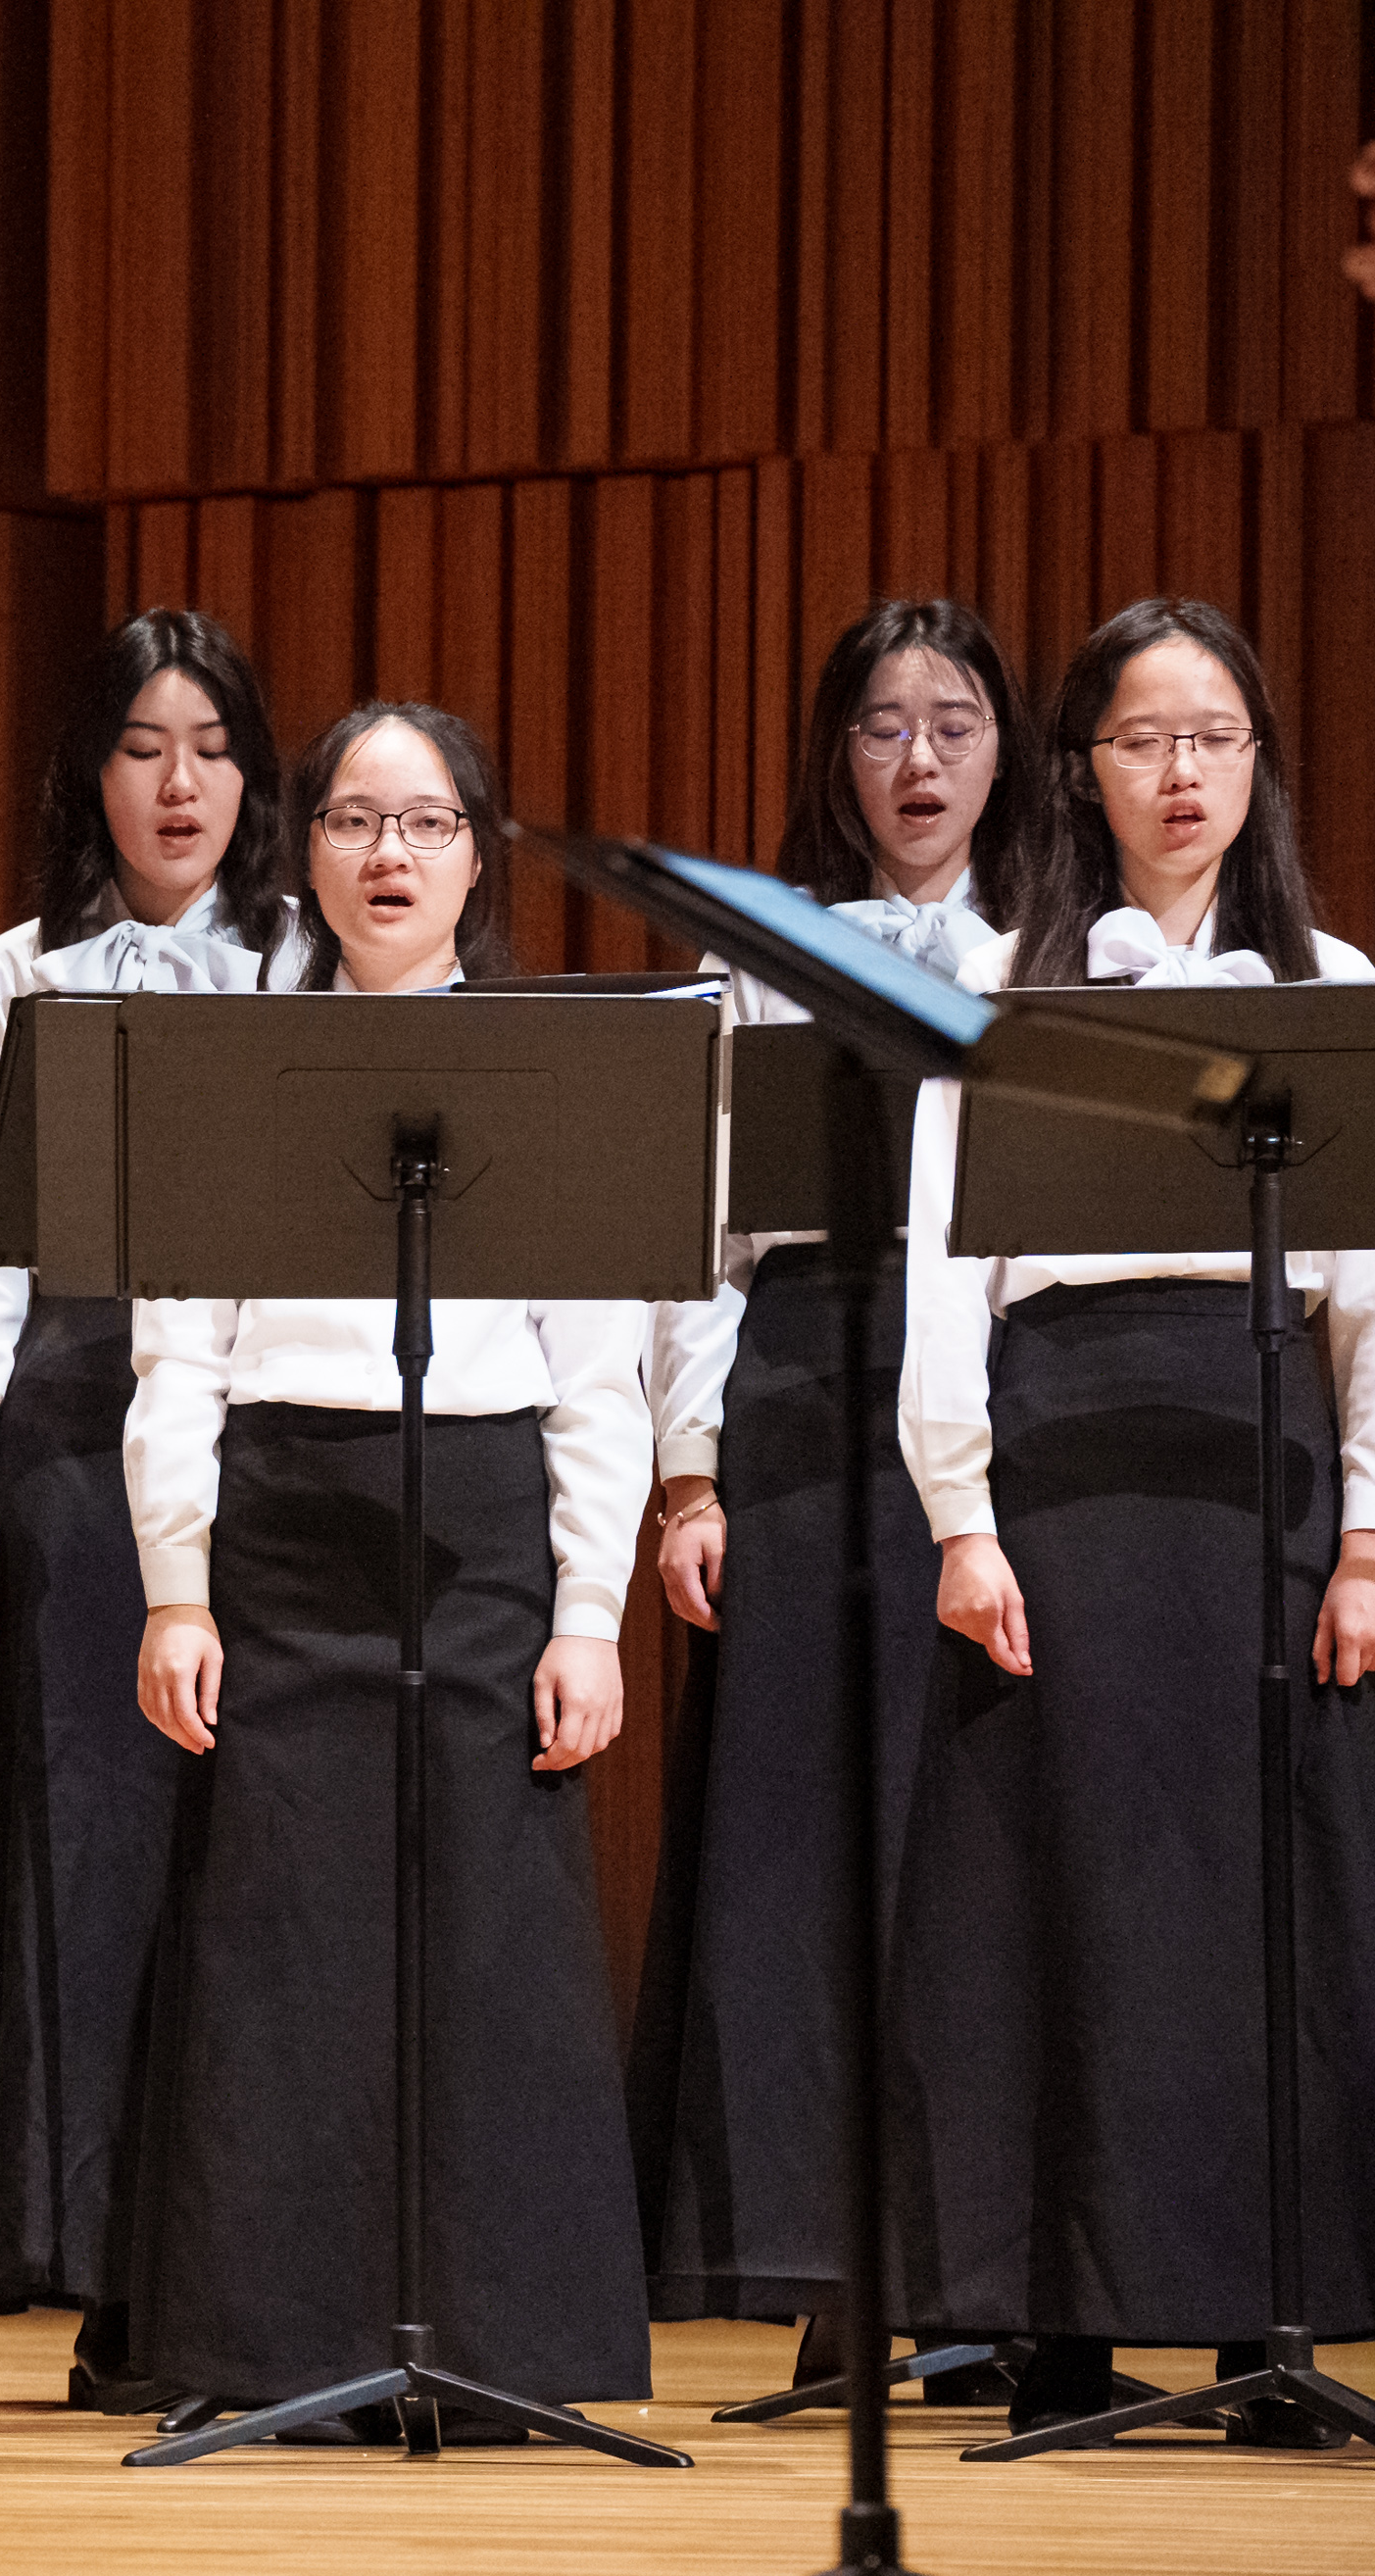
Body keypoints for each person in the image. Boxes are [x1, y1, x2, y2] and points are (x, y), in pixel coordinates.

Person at [123, 701, 656, 2437]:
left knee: (491, 1946)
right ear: (309, 852)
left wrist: (591, 1614)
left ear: (474, 858)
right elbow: (175, 1358)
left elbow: (600, 1374)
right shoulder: (236, 1073)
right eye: (355, 821)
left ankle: (509, 2356)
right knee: (286, 1948)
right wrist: (178, 1586)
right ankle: (281, 2352)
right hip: (284, 1523)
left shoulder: (543, 1078)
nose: (386, 857)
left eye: (424, 826)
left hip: (485, 1526)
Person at [894, 597, 1375, 2448]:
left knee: (1262, 1903)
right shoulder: (1011, 997)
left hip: (1260, 1466)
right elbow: (951, 1270)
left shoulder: (1334, 987)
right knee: (1062, 1901)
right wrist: (963, 1513)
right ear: (1082, 771)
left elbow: (1367, 1295)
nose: (1182, 776)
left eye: (1215, 739)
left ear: (1258, 766)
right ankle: (1063, 2323)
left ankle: (1275, 2322)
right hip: (1064, 1468)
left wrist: (1366, 1538)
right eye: (1142, 741)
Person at [628, 599, 1023, 2402]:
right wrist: (688, 1472)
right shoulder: (758, 962)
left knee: (976, 1838)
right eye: (881, 725)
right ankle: (819, 2264)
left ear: (1010, 749)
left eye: (953, 721)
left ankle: (997, 2263)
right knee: (797, 1847)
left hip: (995, 1420)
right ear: (833, 755)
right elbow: (699, 1255)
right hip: (795, 1400)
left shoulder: (1045, 951)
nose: (919, 759)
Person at [0, 608, 298, 2412]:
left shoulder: (305, 953)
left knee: (257, 1857)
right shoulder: (26, 969)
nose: (180, 781)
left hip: (264, 1429)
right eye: (144, 745)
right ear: (96, 772)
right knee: (103, 1859)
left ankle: (253, 2259)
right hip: (70, 1419)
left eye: (211, 743)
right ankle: (113, 2271)